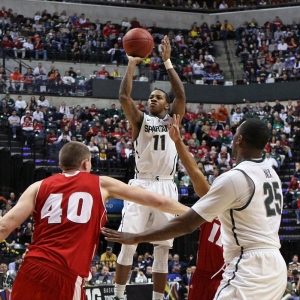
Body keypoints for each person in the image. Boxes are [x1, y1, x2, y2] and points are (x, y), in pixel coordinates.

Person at [103, 118, 287, 299]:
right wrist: (178, 142)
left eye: (236, 132)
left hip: (249, 266)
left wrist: (137, 237)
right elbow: (198, 179)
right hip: (275, 266)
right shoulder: (270, 173)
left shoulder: (235, 178)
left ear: (239, 140)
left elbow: (186, 224)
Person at [0, 142, 189, 300]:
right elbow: (159, 200)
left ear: (60, 164)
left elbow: (4, 226)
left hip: (30, 268)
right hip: (65, 273)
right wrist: (197, 213)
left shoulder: (38, 186)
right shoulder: (101, 183)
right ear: (85, 164)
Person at [112, 35, 186, 300]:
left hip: (166, 183)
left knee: (163, 248)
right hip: (141, 183)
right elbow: (123, 96)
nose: (153, 99)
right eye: (151, 97)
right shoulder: (140, 120)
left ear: (167, 105)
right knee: (128, 242)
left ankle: (158, 298)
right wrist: (131, 63)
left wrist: (167, 61)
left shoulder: (173, 118)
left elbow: (180, 94)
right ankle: (119, 295)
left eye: (158, 97)